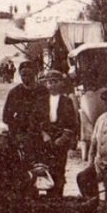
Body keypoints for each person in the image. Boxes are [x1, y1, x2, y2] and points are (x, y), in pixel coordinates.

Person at [1, 60, 49, 164]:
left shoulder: (43, 91)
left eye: (29, 74)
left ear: (35, 73)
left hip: (41, 133)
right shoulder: (15, 93)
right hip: (21, 134)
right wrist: (18, 130)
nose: (26, 78)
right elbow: (6, 116)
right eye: (23, 75)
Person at [40, 70, 79, 198]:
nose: (51, 85)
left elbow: (71, 123)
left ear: (61, 83)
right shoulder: (41, 100)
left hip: (60, 139)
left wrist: (63, 138)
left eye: (55, 82)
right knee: (45, 168)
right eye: (49, 82)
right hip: (45, 139)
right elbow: (37, 119)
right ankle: (46, 195)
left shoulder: (66, 101)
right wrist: (44, 134)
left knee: (59, 168)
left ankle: (57, 196)